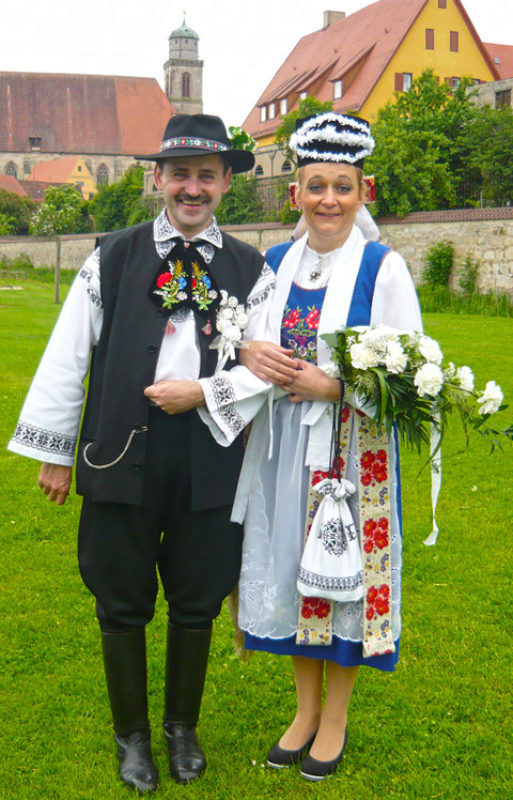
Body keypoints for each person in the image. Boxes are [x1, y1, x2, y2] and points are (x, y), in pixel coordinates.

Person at [8, 113, 275, 793]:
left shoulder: (251, 268)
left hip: (212, 452)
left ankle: (180, 729)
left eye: (205, 177)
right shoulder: (114, 255)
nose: (192, 188)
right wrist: (54, 451)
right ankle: (131, 738)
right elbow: (69, 354)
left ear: (224, 185)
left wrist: (207, 393)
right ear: (158, 178)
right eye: (180, 174)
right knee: (120, 598)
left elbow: (268, 366)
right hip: (117, 451)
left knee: (196, 596)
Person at [202, 112, 423, 781]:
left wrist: (336, 387)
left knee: (342, 579)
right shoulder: (274, 263)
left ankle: (335, 718)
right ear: (295, 192)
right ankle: (302, 710)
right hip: (281, 450)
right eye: (315, 185)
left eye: (343, 186)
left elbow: (409, 376)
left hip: (354, 455)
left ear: (363, 193)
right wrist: (248, 349)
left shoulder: (382, 269)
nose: (329, 199)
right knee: (296, 573)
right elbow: (246, 343)